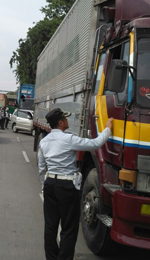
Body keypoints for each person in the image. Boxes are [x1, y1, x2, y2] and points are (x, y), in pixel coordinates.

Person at [38, 108, 113, 260]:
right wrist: (108, 128)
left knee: (50, 227)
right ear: (60, 122)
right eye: (65, 119)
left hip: (50, 184)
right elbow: (95, 144)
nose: (67, 121)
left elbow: (41, 167)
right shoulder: (69, 139)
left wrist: (44, 186)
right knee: (69, 228)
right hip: (66, 186)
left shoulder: (44, 141)